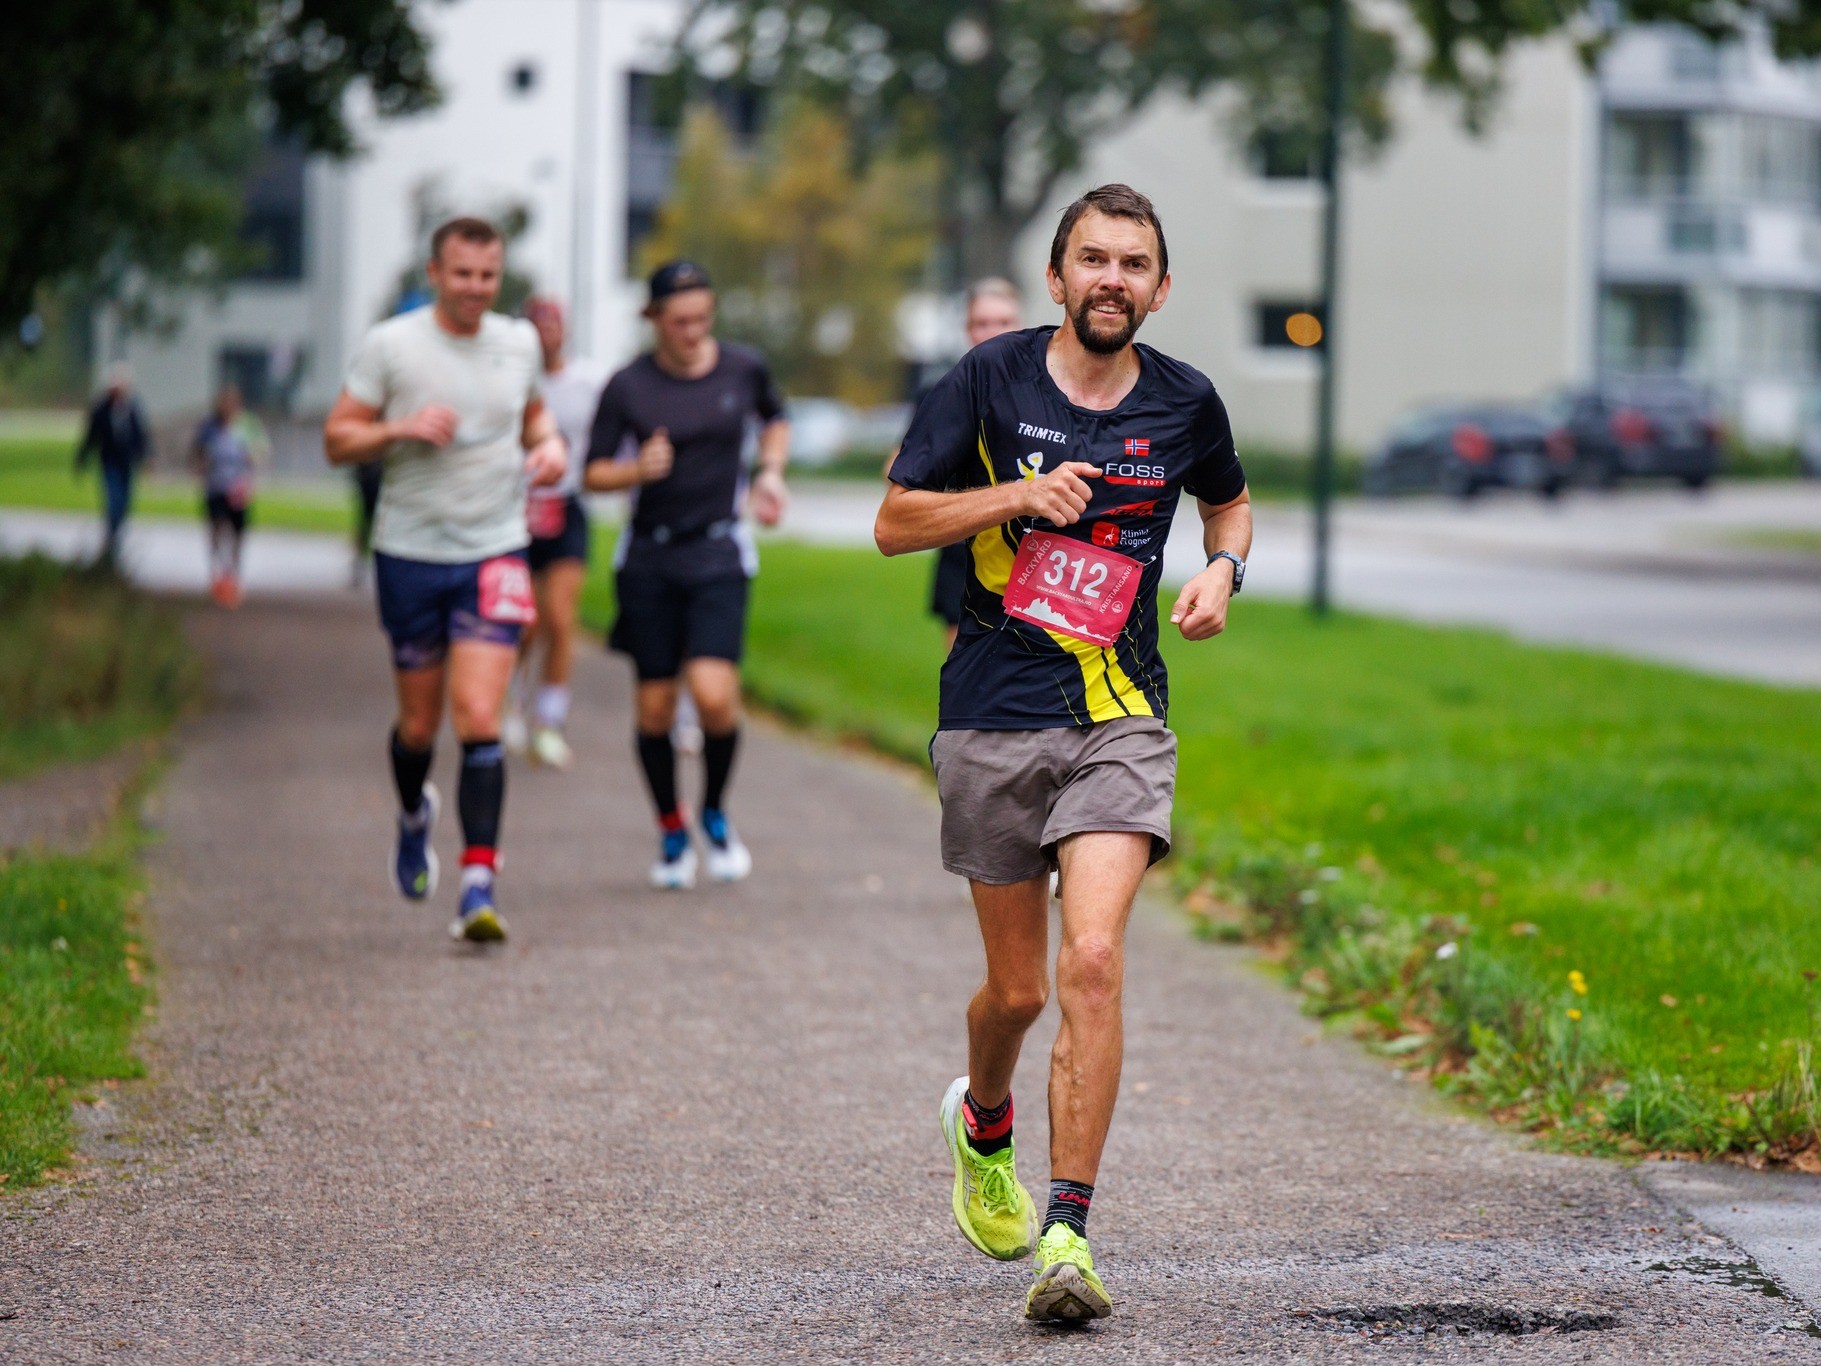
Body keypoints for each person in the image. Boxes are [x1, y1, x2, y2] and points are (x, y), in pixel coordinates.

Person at [875, 184, 1252, 1323]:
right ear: (1057, 278)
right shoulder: (989, 379)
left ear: (1160, 288)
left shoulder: (1187, 401)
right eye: (1093, 259)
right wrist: (1016, 496)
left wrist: (1223, 571)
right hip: (994, 710)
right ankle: (980, 1120)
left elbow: (1229, 508)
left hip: (1120, 714)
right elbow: (896, 520)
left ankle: (1068, 1238)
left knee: (1092, 960)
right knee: (1018, 990)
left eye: (1134, 264)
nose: (1113, 280)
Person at [322, 216, 567, 944]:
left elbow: (534, 419)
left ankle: (478, 886)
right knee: (420, 726)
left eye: (487, 276)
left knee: (480, 718)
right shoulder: (392, 347)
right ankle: (411, 816)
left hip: (495, 549)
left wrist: (550, 448)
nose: (474, 288)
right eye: (462, 274)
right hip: (408, 552)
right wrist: (396, 430)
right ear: (435, 273)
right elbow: (338, 438)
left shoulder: (518, 342)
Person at [583, 261, 790, 891]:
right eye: (681, 322)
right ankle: (672, 828)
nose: (695, 331)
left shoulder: (742, 368)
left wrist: (771, 473)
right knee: (653, 709)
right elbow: (591, 473)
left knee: (714, 695)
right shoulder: (627, 387)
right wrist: (636, 470)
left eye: (703, 318)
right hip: (649, 557)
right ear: (653, 321)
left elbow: (774, 419)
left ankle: (714, 810)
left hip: (717, 552)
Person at [503, 296, 607, 770]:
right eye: (536, 321)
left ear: (565, 330)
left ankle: (549, 722)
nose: (546, 330)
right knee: (524, 624)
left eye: (554, 322)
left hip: (566, 506)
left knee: (560, 618)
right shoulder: (509, 382)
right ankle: (510, 699)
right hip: (516, 510)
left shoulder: (588, 382)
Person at [919, 280, 1024, 652]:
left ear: (1020, 323)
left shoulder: (1047, 389)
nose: (992, 332)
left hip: (1033, 549)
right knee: (965, 667)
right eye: (982, 323)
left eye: (1002, 321)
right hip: (963, 545)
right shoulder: (944, 390)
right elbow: (901, 469)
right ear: (967, 328)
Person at [191, 384, 266, 607]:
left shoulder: (247, 426)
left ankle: (233, 575)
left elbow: (260, 453)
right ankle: (217, 573)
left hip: (237, 488)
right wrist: (201, 468)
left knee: (237, 533)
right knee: (215, 528)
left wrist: (251, 468)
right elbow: (197, 453)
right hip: (215, 486)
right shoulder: (209, 427)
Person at [75, 363, 151, 565]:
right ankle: (110, 539)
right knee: (113, 501)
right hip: (109, 461)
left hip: (126, 462)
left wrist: (145, 457)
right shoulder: (101, 409)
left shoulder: (131, 408)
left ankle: (114, 538)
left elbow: (140, 436)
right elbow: (91, 436)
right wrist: (82, 458)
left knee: (125, 503)